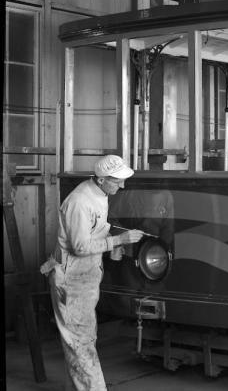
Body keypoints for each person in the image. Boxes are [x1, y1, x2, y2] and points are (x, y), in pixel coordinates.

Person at [40, 155, 144, 390]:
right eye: (117, 181)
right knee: (80, 343)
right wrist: (119, 239)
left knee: (81, 340)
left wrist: (113, 241)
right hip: (72, 278)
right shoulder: (80, 201)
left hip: (85, 277)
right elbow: (79, 247)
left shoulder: (100, 194)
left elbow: (92, 231)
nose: (122, 185)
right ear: (100, 179)